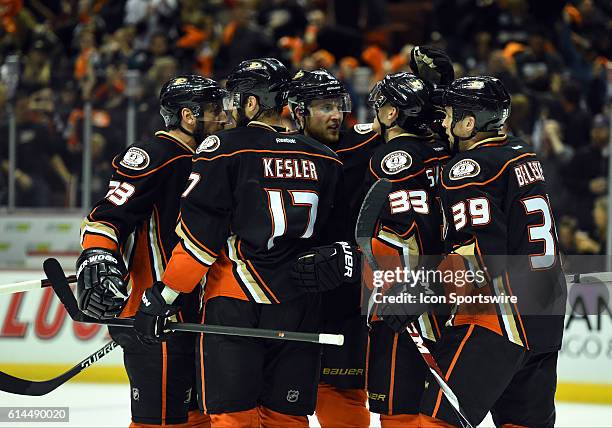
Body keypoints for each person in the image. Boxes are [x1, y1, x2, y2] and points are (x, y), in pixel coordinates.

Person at [132, 58, 345, 427]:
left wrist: (163, 296)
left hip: (236, 302)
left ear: (251, 103)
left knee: (234, 418)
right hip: (301, 305)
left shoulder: (224, 148)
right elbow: (333, 239)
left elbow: (201, 240)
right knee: (287, 418)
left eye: (236, 100)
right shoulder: (324, 157)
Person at [76, 75, 230, 427]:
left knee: (197, 419)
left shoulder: (212, 160)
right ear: (189, 116)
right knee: (157, 422)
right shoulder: (156, 155)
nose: (222, 117)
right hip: (157, 315)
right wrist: (97, 255)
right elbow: (106, 216)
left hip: (197, 316)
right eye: (213, 110)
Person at [416, 76, 566, 426]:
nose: (443, 123)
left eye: (450, 114)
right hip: (545, 313)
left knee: (436, 422)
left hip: (498, 317)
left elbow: (478, 254)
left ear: (469, 123)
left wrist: (419, 290)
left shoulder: (468, 169)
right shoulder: (521, 153)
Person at [287, 68, 380, 428]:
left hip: (344, 292)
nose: (336, 115)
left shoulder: (358, 143)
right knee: (281, 397)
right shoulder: (270, 150)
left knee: (343, 389)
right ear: (298, 110)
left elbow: (401, 126)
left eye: (338, 105)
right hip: (288, 290)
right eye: (325, 107)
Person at [361, 72, 450, 427]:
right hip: (447, 296)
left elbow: (401, 232)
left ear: (392, 114)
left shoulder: (390, 158)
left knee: (398, 413)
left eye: (381, 106)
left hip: (401, 301)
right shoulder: (444, 153)